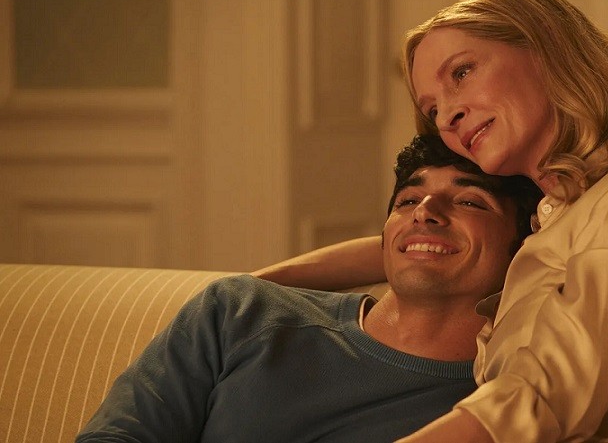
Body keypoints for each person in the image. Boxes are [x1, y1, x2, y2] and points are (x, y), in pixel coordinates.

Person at [257, 0, 608, 443]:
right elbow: (404, 245)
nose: (448, 116)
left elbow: (545, 395)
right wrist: (249, 286)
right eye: (432, 109)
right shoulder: (557, 215)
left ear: (548, 50)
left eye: (462, 72)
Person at [76, 134, 543, 443]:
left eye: (469, 201)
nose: (424, 211)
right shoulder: (240, 310)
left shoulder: (513, 401)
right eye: (407, 200)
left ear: (525, 246)